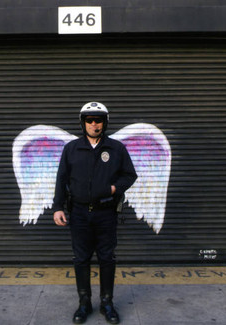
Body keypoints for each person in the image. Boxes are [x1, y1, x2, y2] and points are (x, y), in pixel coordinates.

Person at [53, 102, 137, 324]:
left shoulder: (116, 149)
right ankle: (84, 303)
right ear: (83, 123)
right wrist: (58, 207)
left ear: (104, 122)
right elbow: (61, 179)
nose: (93, 124)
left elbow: (130, 175)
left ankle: (107, 303)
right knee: (81, 259)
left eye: (97, 120)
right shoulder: (71, 148)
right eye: (89, 120)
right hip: (79, 213)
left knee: (107, 258)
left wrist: (113, 188)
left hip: (106, 213)